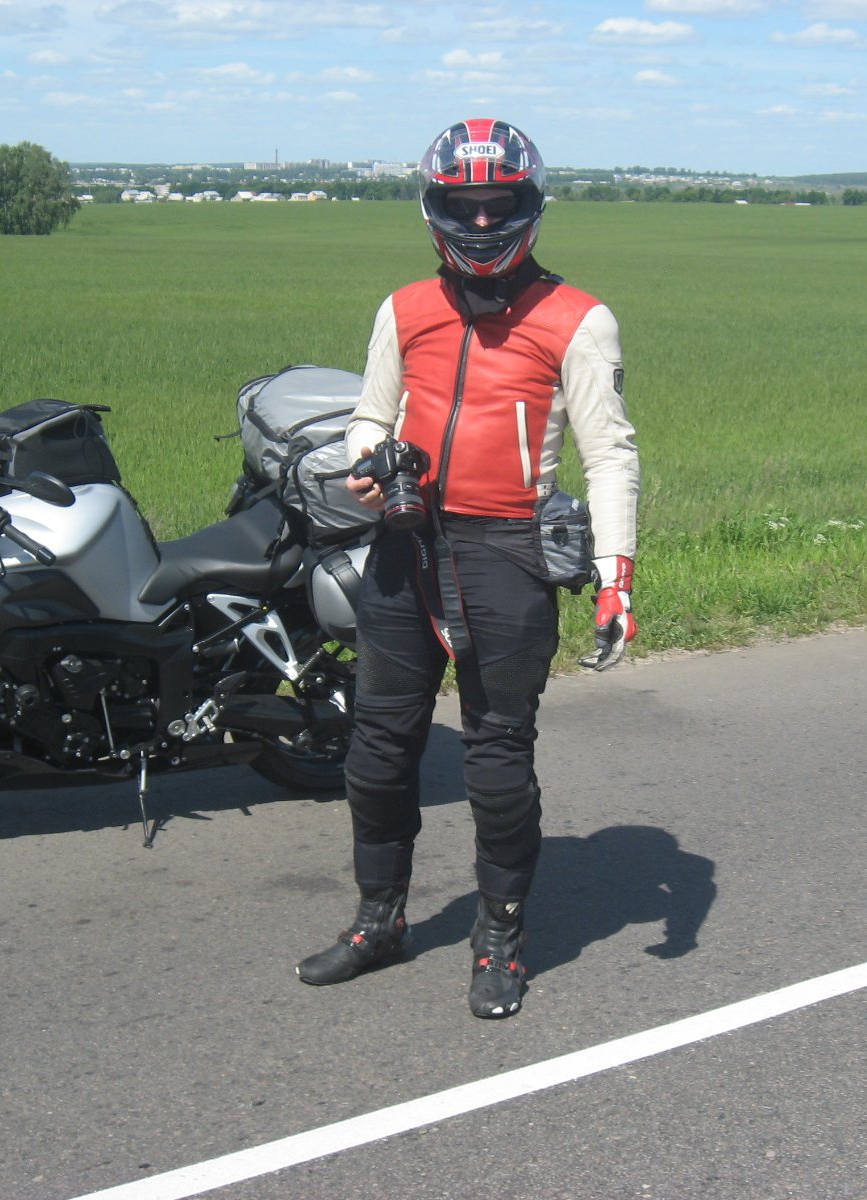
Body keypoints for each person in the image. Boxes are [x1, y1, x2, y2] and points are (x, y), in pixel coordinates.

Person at [295, 118, 640, 1018]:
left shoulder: (577, 319)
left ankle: (500, 937)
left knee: (495, 762)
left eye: (500, 205)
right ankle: (379, 921)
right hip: (406, 542)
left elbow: (611, 455)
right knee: (377, 751)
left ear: (530, 207)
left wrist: (616, 577)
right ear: (434, 210)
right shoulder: (405, 308)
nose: (482, 223)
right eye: (464, 206)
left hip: (508, 552)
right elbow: (370, 416)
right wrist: (370, 462)